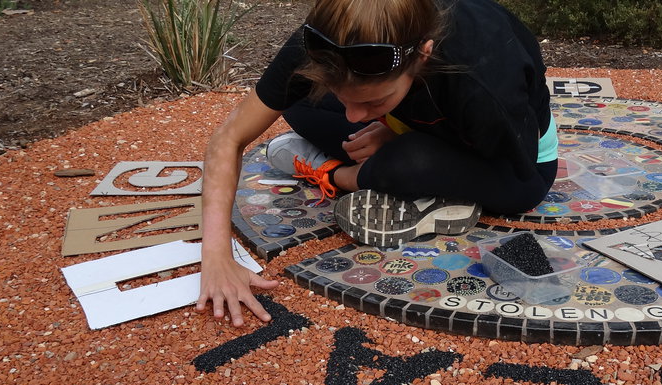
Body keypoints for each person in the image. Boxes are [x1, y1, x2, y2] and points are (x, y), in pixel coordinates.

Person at [197, 0, 558, 326]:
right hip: (419, 115)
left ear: (424, 54)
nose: (354, 116)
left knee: (406, 163)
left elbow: (517, 169)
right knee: (295, 100)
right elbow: (229, 137)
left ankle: (336, 174)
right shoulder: (329, 40)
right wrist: (215, 258)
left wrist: (402, 138)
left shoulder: (482, 82)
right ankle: (391, 135)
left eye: (373, 102)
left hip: (515, 160)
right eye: (346, 99)